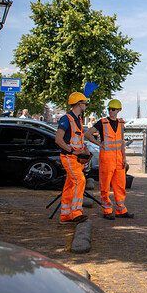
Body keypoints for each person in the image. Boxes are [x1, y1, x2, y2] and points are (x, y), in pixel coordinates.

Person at [85, 99, 132, 220]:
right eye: (109, 109)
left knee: (120, 185)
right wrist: (98, 143)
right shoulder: (102, 122)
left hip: (119, 160)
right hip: (106, 159)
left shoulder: (121, 123)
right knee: (105, 186)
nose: (111, 111)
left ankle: (121, 210)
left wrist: (124, 158)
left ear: (118, 110)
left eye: (113, 109)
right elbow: (88, 134)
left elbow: (121, 142)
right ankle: (107, 210)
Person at [55, 92, 91, 224]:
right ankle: (76, 213)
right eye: (84, 103)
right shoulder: (66, 119)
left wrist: (84, 149)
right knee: (80, 180)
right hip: (69, 157)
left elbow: (77, 139)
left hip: (76, 158)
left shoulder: (78, 119)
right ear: (78, 104)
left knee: (70, 185)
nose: (86, 105)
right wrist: (73, 151)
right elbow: (58, 140)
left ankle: (65, 215)